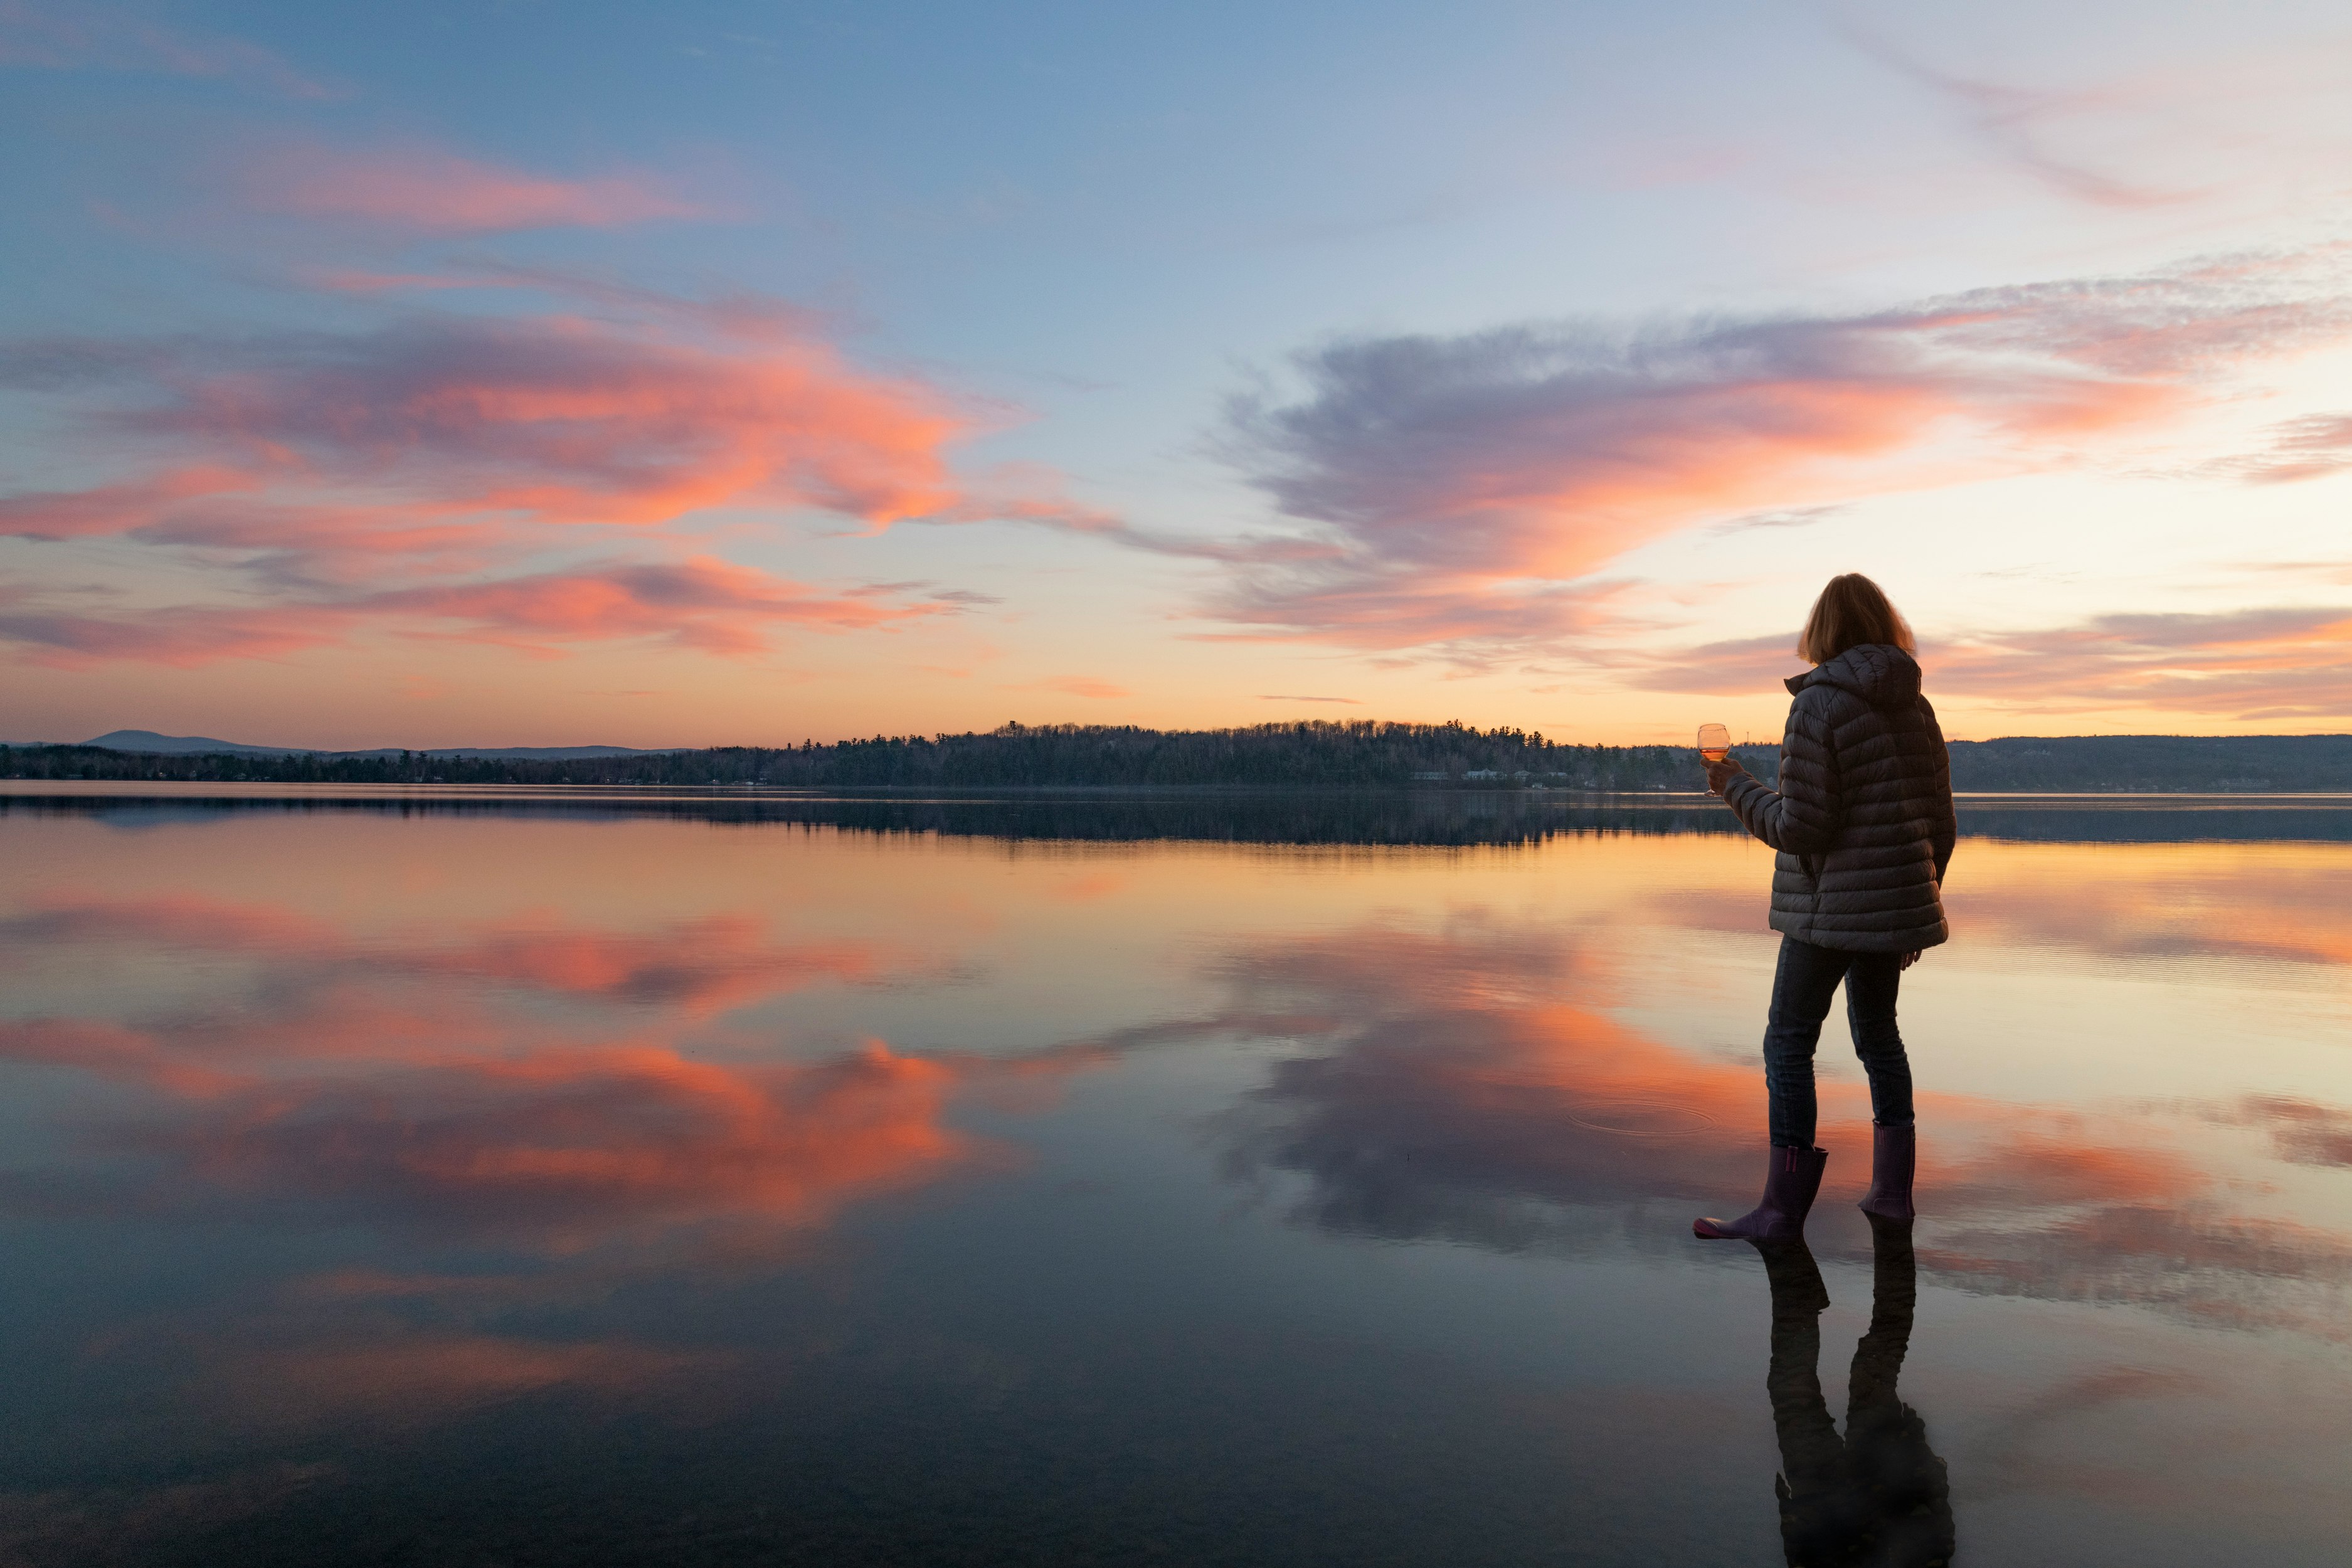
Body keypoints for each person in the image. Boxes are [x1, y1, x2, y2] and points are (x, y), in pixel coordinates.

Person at [1693, 573, 1956, 1241]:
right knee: (1879, 1039)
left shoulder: (1819, 706)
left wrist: (1735, 786)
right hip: (1892, 906)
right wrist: (1916, 906)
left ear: (1822, 631)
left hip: (1827, 912)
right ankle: (1892, 1197)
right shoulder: (1916, 708)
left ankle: (1781, 1212)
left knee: (1788, 1042)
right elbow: (1940, 823)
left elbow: (1802, 827)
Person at [1758, 1224, 1955, 1566]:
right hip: (1876, 1496)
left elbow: (1935, 1543)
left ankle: (1797, 1286)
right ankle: (1798, 1283)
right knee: (1840, 1380)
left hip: (1846, 1511)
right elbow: (1934, 1544)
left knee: (1843, 1378)